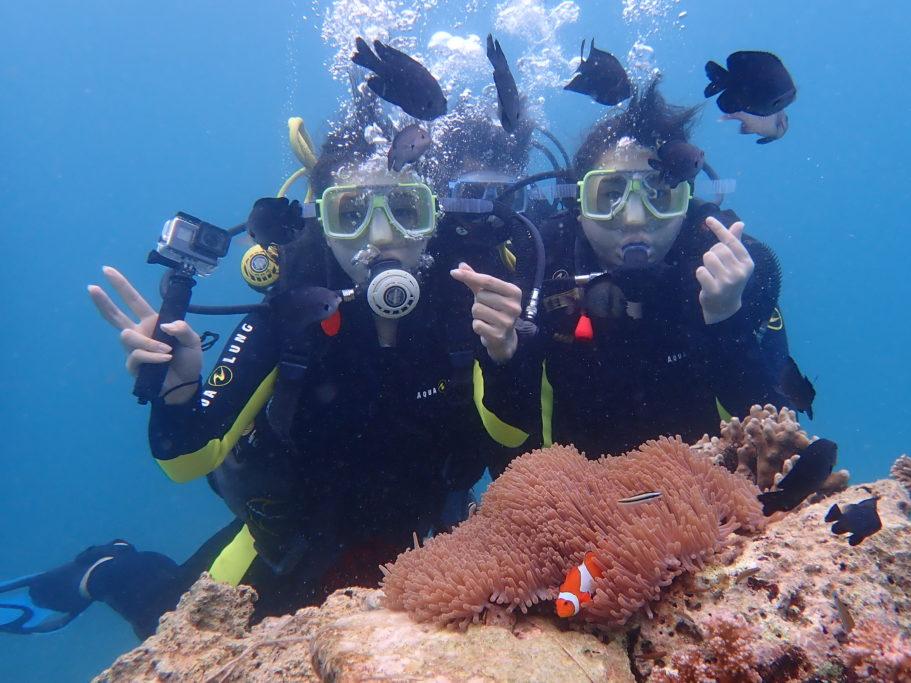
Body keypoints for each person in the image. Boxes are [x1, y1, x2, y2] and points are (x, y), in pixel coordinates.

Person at [0, 101, 530, 639]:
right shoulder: (291, 316)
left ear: (434, 215)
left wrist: (505, 355)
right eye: (350, 213)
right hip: (291, 542)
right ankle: (105, 567)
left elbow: (510, 440)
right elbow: (187, 462)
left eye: (405, 209)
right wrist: (177, 391)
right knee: (180, 640)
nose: (381, 235)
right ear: (319, 222)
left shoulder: (468, 311)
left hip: (435, 540)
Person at [479, 81, 807, 467]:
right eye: (610, 195)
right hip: (580, 508)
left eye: (659, 193)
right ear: (578, 205)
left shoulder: (728, 268)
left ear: (686, 203)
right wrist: (505, 359)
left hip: (712, 502)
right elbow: (508, 436)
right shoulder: (540, 268)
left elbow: (775, 431)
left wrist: (725, 322)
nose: (634, 217)